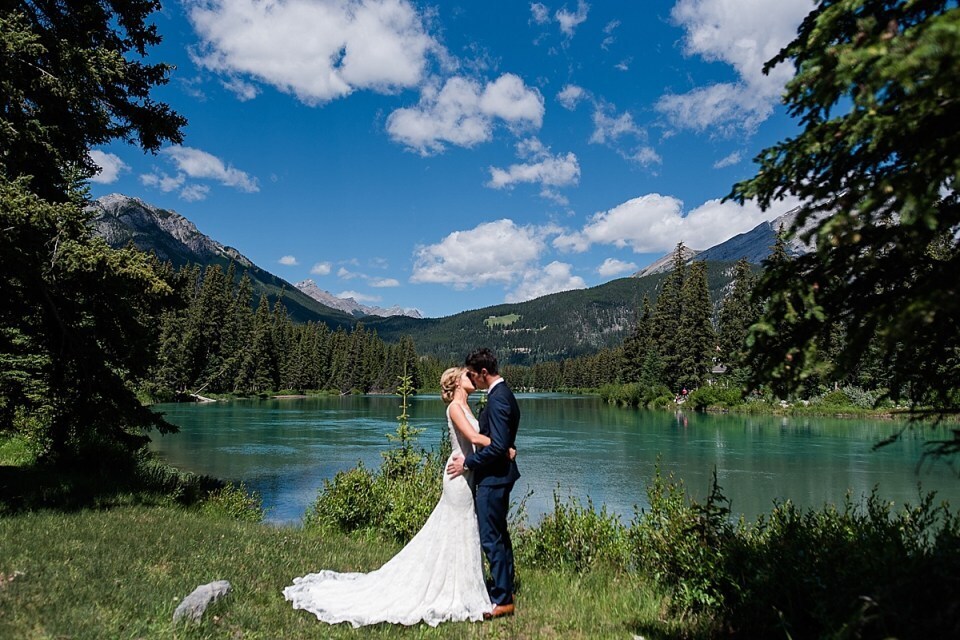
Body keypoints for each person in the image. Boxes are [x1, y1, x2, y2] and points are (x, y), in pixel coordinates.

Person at [282, 367, 512, 627]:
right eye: (466, 375)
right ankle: (456, 588)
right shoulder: (455, 409)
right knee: (458, 527)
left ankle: (463, 584)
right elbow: (471, 437)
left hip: (468, 471)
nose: (472, 378)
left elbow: (477, 438)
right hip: (458, 476)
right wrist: (502, 449)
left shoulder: (467, 407)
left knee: (463, 529)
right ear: (456, 382)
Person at [447, 347, 521, 620]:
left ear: (484, 373)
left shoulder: (498, 399)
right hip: (500, 475)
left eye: (472, 374)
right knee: (500, 534)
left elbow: (498, 444)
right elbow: (502, 443)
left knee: (491, 538)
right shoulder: (504, 395)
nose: (471, 379)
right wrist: (506, 448)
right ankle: (506, 589)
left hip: (493, 478)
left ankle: (502, 600)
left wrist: (467, 464)